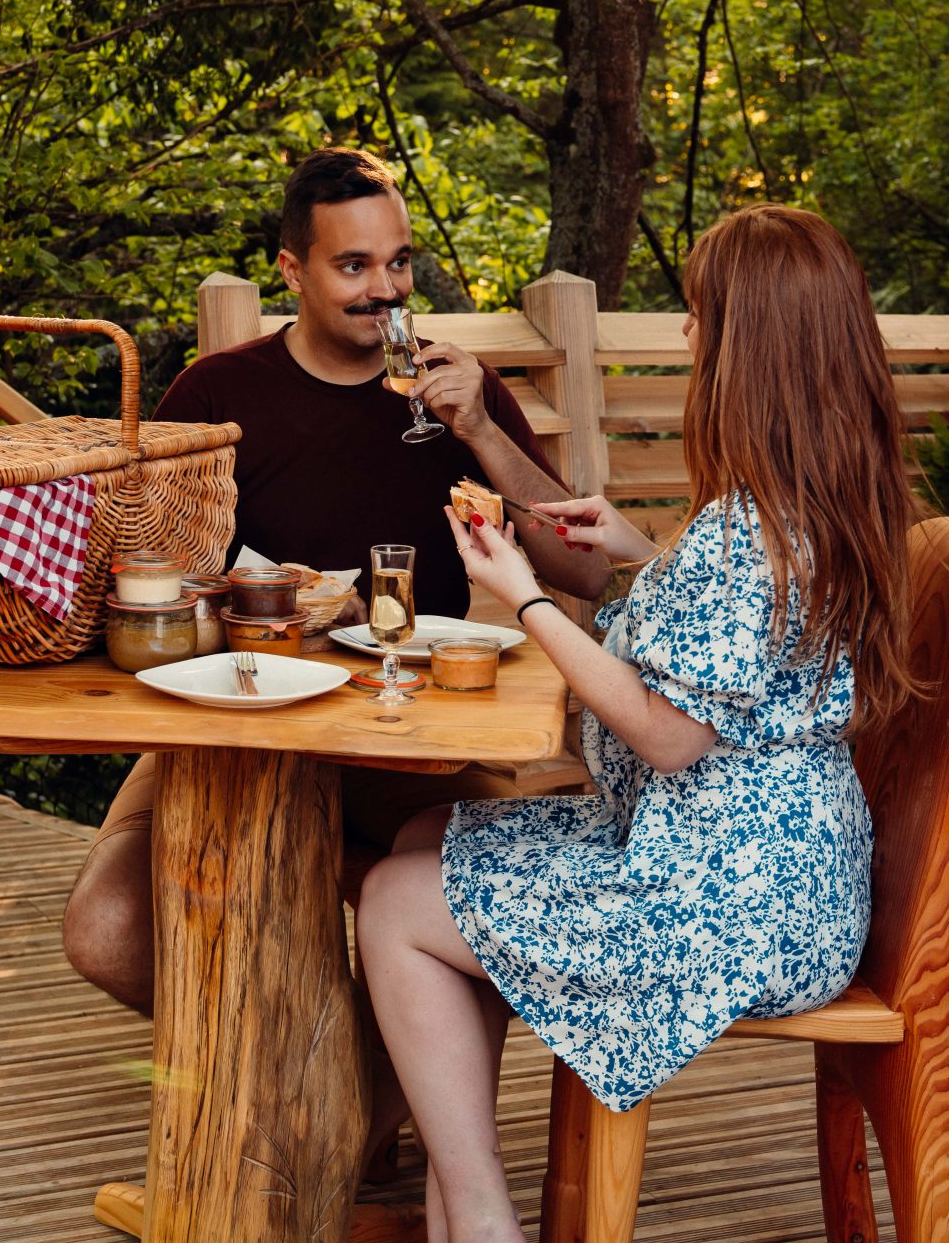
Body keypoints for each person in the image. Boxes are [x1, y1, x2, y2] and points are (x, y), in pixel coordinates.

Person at [355, 203, 918, 1243]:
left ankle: (482, 1242)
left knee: (395, 904)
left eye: (706, 323)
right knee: (428, 829)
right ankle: (464, 1201)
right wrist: (629, 549)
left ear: (747, 353)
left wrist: (532, 600)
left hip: (720, 903)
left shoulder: (745, 532)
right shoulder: (813, 505)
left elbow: (667, 733)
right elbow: (747, 645)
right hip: (787, 880)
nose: (694, 342)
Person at [62, 146, 609, 1016]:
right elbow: (137, 573)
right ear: (294, 271)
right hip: (233, 730)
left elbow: (586, 566)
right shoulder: (217, 393)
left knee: (502, 910)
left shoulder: (457, 388)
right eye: (352, 266)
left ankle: (366, 1106)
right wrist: (279, 600)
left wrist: (481, 433)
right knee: (107, 929)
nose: (384, 290)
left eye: (398, 264)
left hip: (409, 727)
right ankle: (327, 1070)